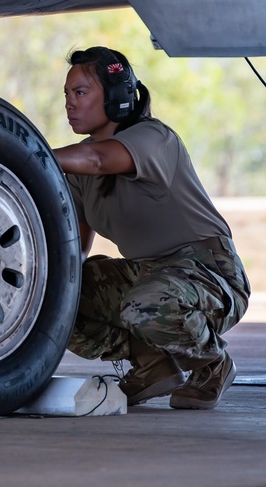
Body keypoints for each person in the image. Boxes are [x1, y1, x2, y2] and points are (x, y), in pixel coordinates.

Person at [53, 46, 250, 409]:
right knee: (58, 294)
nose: (69, 103)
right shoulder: (79, 167)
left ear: (115, 99)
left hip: (209, 272)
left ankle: (212, 363)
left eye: (80, 93)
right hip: (150, 276)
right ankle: (152, 365)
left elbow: (100, 159)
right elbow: (75, 250)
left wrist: (25, 151)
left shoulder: (153, 138)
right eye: (67, 94)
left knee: (145, 303)